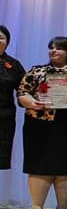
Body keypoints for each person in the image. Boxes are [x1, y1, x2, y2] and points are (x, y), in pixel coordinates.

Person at [17, 36, 67, 209]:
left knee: (66, 165)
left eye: (58, 48)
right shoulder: (36, 70)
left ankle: (62, 207)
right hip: (39, 124)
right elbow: (22, 93)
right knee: (39, 164)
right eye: (51, 47)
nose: (53, 50)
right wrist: (33, 103)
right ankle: (37, 206)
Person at [0, 25, 26, 172]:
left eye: (1, 37)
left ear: (7, 42)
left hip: (4, 118)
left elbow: (25, 88)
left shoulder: (14, 64)